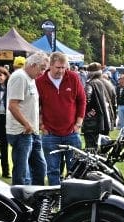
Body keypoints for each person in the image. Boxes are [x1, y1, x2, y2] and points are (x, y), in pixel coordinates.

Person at [36, 52, 86, 185]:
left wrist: (78, 123)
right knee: (52, 171)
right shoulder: (40, 81)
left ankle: (73, 201)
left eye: (64, 67)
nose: (61, 71)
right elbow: (36, 105)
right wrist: (41, 125)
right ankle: (55, 199)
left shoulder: (73, 77)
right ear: (50, 65)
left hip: (71, 133)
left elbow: (82, 100)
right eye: (58, 67)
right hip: (50, 134)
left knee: (74, 170)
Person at [8, 52, 49, 185]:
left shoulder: (30, 79)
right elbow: (12, 105)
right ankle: (19, 201)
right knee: (22, 173)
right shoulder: (20, 77)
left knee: (40, 168)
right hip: (22, 132)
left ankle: (37, 198)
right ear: (32, 65)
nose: (43, 72)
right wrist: (26, 124)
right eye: (42, 68)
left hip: (32, 131)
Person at [82, 62, 111, 149]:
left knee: (91, 149)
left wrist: (87, 112)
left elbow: (86, 99)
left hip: (92, 122)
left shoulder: (90, 84)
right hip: (104, 120)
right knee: (103, 148)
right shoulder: (106, 83)